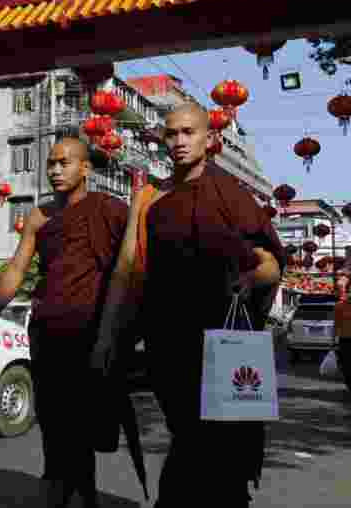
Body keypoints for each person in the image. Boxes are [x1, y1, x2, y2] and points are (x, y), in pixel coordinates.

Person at [90, 101, 284, 508]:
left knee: (216, 447)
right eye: (171, 133)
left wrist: (249, 278)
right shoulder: (148, 199)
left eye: (188, 132)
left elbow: (270, 264)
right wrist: (108, 337)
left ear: (210, 139)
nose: (178, 141)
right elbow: (126, 270)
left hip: (224, 340)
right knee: (188, 433)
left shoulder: (231, 193)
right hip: (169, 341)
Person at [0, 137, 129, 508]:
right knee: (54, 419)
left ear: (85, 168)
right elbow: (16, 268)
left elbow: (132, 266)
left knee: (79, 423)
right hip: (46, 332)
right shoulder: (40, 217)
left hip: (91, 332)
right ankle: (64, 485)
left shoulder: (110, 210)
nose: (56, 170)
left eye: (65, 162)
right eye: (51, 163)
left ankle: (73, 490)